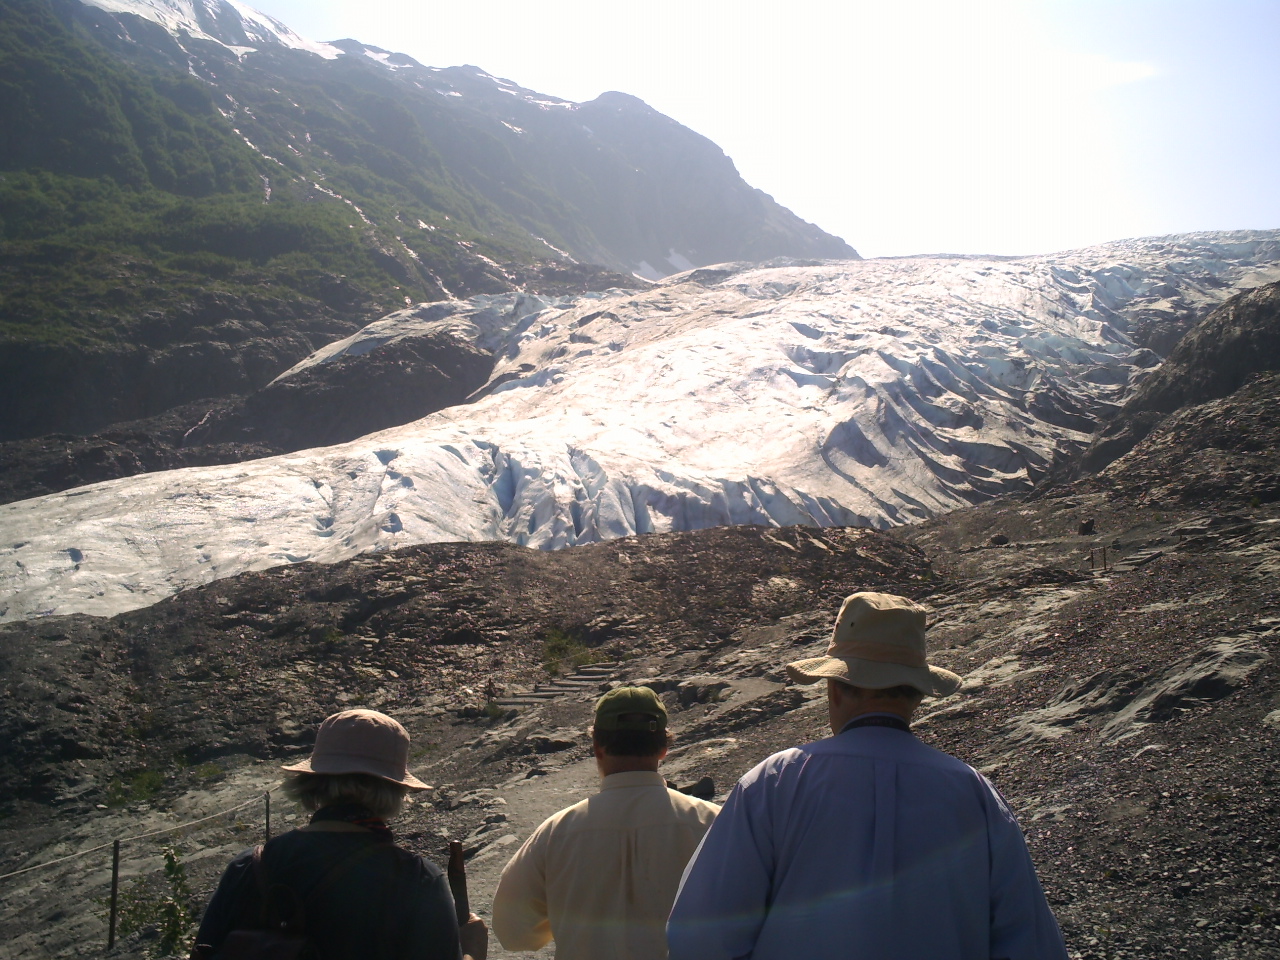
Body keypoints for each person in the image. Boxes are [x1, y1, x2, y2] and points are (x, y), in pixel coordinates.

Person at [667, 592, 1069, 960]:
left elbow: (702, 935)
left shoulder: (774, 780)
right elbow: (1032, 943)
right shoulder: (974, 792)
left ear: (835, 689)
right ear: (917, 694)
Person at [193, 708, 487, 960]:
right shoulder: (416, 879)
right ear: (396, 790)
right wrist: (471, 952)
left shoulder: (249, 866)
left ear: (312, 781)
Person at [491, 686, 720, 960]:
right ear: (664, 748)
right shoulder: (714, 824)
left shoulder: (556, 832)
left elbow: (514, 933)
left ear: (597, 747)